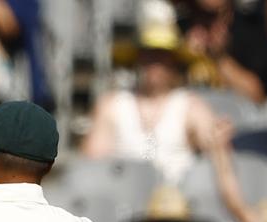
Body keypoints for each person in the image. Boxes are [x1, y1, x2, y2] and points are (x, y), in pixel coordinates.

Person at [82, 16, 217, 185]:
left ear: (174, 62)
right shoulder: (112, 104)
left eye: (162, 57)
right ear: (138, 59)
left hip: (177, 201)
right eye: (149, 55)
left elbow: (216, 154)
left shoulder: (191, 105)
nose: (154, 64)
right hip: (123, 197)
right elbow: (93, 163)